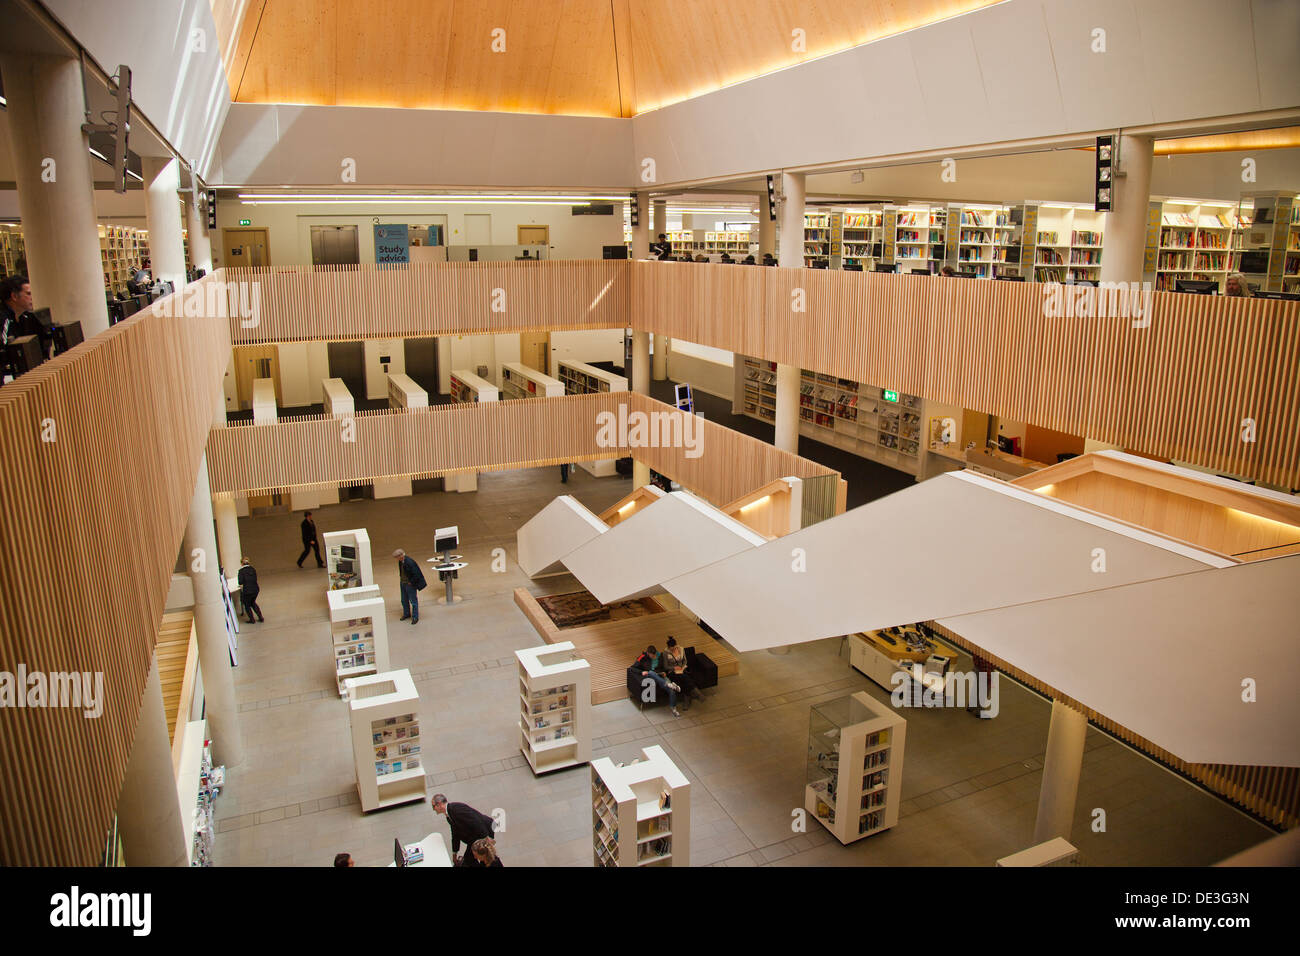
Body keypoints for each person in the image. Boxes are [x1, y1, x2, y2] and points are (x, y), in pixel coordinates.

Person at [430, 794, 495, 865]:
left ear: (439, 804)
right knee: (473, 858)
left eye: (434, 806)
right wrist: (454, 853)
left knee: (482, 857)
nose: (433, 809)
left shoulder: (456, 809)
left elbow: (475, 820)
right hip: (474, 836)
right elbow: (455, 835)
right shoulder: (449, 815)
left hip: (483, 831)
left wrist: (486, 837)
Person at [1, 275, 38, 382]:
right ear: (14, 296)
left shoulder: (25, 317)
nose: (32, 297)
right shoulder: (3, 320)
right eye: (28, 294)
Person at [633, 644, 680, 717]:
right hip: (650, 675)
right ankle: (668, 684)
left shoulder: (660, 655)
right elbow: (632, 668)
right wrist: (641, 672)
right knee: (651, 672)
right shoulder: (642, 657)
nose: (653, 657)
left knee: (672, 691)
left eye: (654, 655)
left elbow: (664, 667)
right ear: (648, 653)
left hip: (660, 675)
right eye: (652, 655)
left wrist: (664, 672)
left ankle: (673, 708)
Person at [660, 636, 701, 707]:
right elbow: (666, 667)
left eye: (674, 648)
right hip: (672, 672)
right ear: (668, 647)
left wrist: (683, 667)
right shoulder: (665, 653)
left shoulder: (681, 649)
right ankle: (695, 692)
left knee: (683, 678)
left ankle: (687, 699)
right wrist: (674, 668)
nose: (673, 650)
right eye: (671, 649)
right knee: (684, 677)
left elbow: (685, 661)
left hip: (682, 670)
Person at [393, 548, 427, 624]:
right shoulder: (400, 561)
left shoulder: (410, 562)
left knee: (413, 601)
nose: (396, 559)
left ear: (401, 556)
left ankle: (415, 617)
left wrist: (411, 582)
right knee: (404, 600)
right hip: (403, 583)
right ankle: (407, 614)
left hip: (409, 584)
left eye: (397, 557)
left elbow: (417, 574)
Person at [237, 557, 264, 624]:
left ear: (242, 563)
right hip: (255, 589)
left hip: (247, 590)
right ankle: (260, 617)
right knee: (253, 602)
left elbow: (240, 582)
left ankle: (252, 619)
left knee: (247, 605)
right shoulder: (253, 569)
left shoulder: (241, 571)